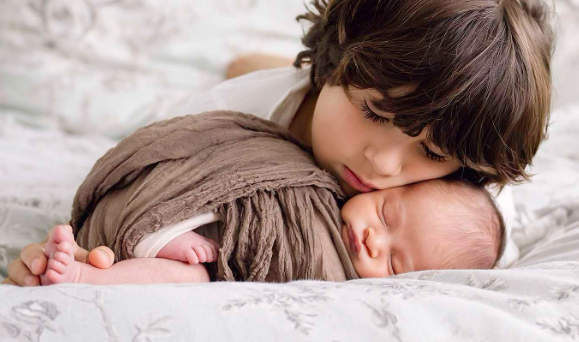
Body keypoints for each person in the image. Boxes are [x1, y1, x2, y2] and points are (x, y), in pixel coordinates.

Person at [4, 0, 553, 286]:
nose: (383, 164)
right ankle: (255, 60)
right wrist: (71, 256)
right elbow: (144, 182)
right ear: (333, 64)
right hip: (270, 96)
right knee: (249, 72)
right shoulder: (226, 119)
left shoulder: (465, 170)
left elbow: (488, 245)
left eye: (429, 151)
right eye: (374, 112)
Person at [38, 178, 505, 285]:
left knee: (191, 280)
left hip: (194, 257)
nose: (371, 240)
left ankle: (91, 276)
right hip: (181, 210)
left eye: (393, 262)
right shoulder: (316, 184)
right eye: (385, 215)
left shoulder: (326, 261)